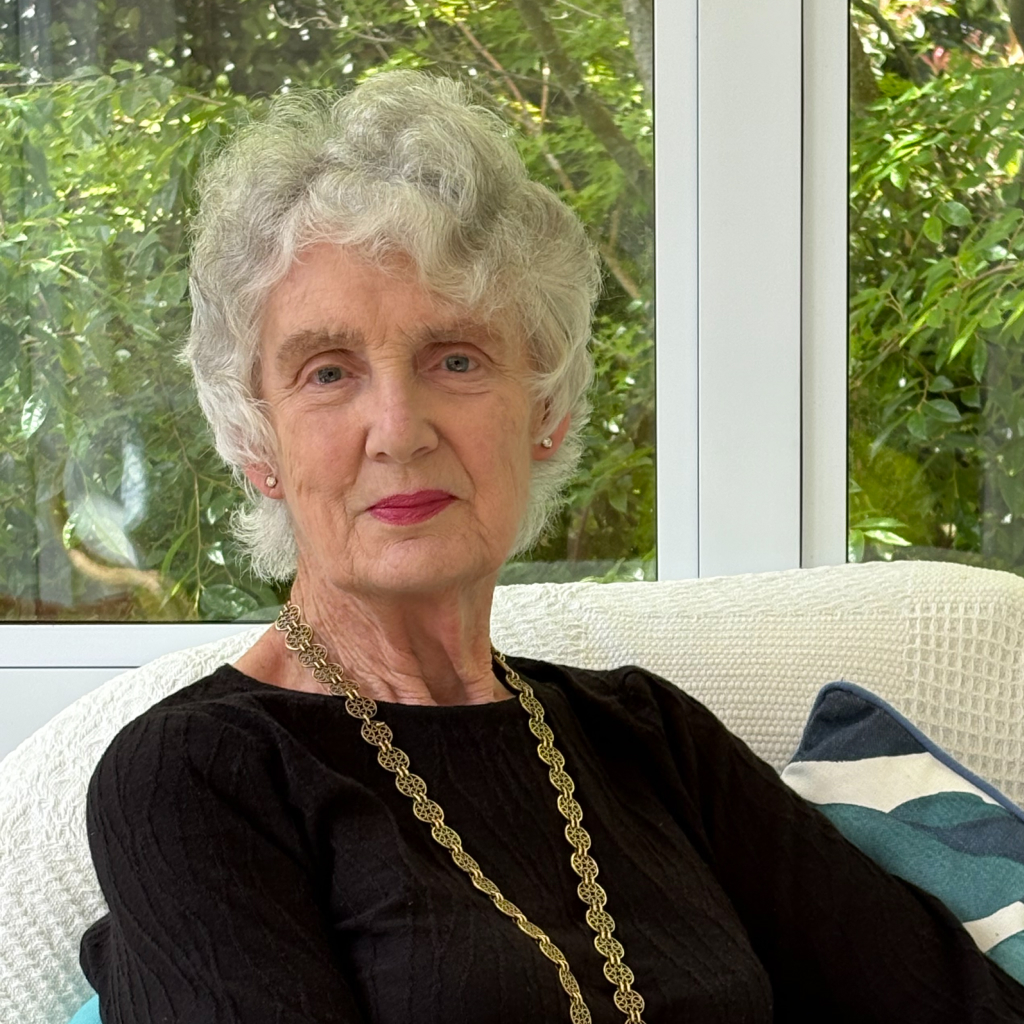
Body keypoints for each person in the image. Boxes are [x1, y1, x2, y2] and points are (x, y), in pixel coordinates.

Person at [79, 70, 1024, 1024]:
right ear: (255, 443)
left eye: (456, 359)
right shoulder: (197, 775)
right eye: (328, 372)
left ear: (546, 411)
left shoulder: (649, 741)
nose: (399, 429)